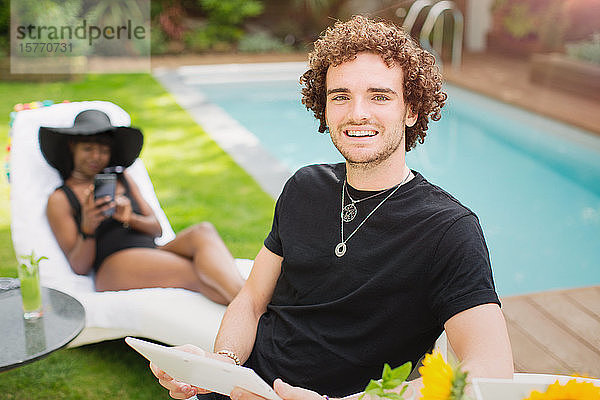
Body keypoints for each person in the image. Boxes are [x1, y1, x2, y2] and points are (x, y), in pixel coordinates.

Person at [151, 15, 514, 399]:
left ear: (411, 110)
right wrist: (223, 364)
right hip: (244, 386)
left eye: (379, 96)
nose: (357, 113)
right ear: (323, 107)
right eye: (341, 96)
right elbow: (252, 299)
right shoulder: (304, 186)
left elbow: (490, 368)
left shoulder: (448, 229)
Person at [40, 109, 244, 305]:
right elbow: (79, 267)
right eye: (88, 149)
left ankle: (252, 304)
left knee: (203, 231)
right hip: (114, 266)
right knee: (198, 273)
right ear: (72, 147)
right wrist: (88, 227)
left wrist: (130, 218)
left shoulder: (123, 178)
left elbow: (157, 229)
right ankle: (256, 309)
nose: (96, 157)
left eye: (103, 151)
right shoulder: (61, 198)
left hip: (152, 252)